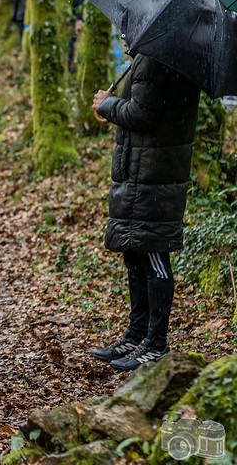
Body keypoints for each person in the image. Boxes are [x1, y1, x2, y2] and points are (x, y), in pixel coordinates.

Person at [90, 53, 200, 371]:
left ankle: (156, 343)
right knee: (135, 253)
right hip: (142, 172)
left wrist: (106, 105)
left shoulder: (156, 60)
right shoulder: (157, 57)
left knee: (152, 254)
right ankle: (136, 335)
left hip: (153, 176)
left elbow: (142, 113)